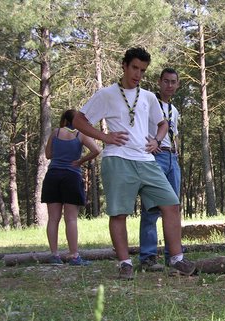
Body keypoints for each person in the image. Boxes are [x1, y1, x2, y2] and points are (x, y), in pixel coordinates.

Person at [73, 47, 196, 280]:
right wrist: (105, 137)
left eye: (143, 70)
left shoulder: (149, 97)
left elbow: (162, 124)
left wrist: (157, 141)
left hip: (147, 159)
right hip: (117, 159)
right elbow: (79, 120)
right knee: (119, 213)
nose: (138, 74)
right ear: (124, 66)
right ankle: (124, 263)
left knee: (171, 205)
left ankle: (177, 259)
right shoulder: (107, 94)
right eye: (135, 68)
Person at [41, 109, 100, 266]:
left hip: (53, 176)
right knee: (71, 218)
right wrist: (80, 161)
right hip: (71, 176)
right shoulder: (80, 134)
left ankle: (54, 255)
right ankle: (74, 256)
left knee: (53, 218)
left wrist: (61, 154)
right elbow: (97, 150)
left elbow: (48, 155)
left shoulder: (55, 132)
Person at [139, 68, 182, 272]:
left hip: (172, 157)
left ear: (178, 84)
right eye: (166, 81)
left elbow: (174, 134)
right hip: (155, 156)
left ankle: (173, 255)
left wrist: (176, 152)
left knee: (173, 207)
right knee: (151, 207)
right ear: (159, 82)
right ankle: (148, 256)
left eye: (173, 82)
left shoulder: (174, 110)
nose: (169, 85)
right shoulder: (148, 103)